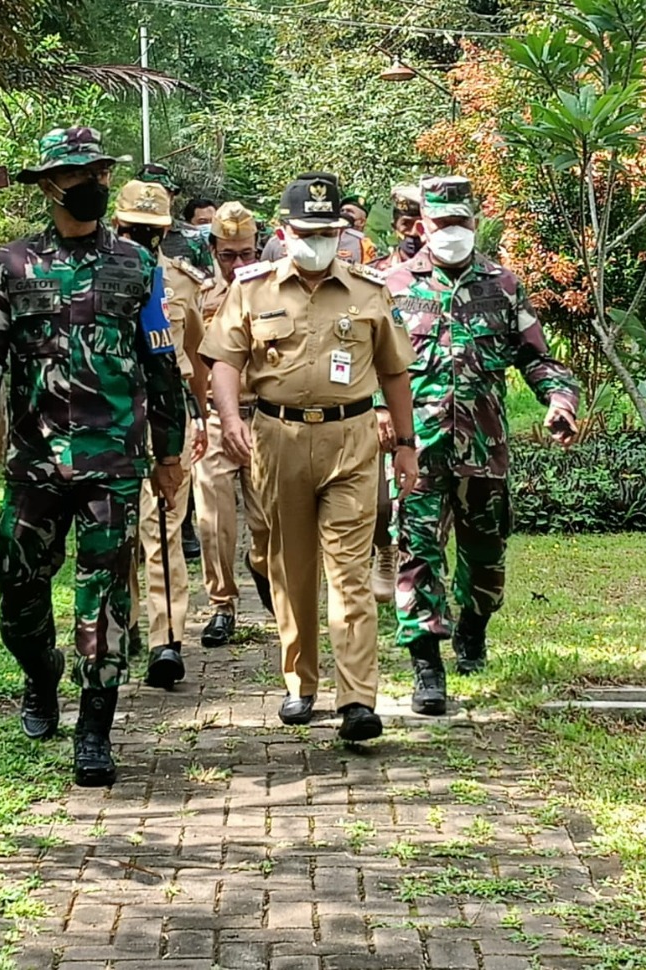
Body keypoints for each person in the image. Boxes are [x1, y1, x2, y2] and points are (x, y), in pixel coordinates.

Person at [0, 127, 186, 788]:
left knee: (104, 601)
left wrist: (169, 451)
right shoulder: (13, 266)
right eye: (77, 173)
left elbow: (162, 366)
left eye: (99, 171)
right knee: (16, 593)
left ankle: (94, 731)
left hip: (113, 463)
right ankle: (41, 673)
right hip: (34, 464)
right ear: (48, 185)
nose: (92, 183)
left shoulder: (136, 267)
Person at [201, 173, 418, 743]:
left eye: (329, 231)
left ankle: (357, 699)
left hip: (352, 440)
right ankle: (301, 682)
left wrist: (407, 446)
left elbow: (395, 371)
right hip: (278, 438)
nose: (319, 240)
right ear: (284, 231)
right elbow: (223, 360)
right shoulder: (252, 288)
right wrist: (229, 421)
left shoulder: (369, 291)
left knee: (348, 574)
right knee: (290, 567)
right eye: (307, 231)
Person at [385, 175, 579, 716]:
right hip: (416, 451)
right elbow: (371, 364)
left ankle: (473, 626)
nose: (452, 233)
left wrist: (559, 399)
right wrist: (379, 414)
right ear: (423, 225)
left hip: (484, 451)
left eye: (461, 223)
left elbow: (537, 358)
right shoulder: (392, 285)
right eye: (442, 224)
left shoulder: (502, 286)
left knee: (486, 560)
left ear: (475, 224)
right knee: (416, 553)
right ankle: (427, 662)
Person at [112, 179, 210, 688]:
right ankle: (123, 622)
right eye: (134, 229)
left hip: (164, 422)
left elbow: (193, 356)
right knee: (114, 533)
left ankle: (165, 641)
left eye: (152, 232)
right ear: (116, 225)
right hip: (107, 422)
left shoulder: (179, 282)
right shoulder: (91, 275)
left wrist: (200, 417)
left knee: (163, 528)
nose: (142, 240)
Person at [191, 201, 273, 647]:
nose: (239, 263)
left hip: (265, 418)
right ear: (213, 250)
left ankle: (261, 567)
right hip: (214, 421)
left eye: (246, 254)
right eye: (229, 255)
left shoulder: (276, 294)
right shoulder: (201, 295)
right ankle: (222, 604)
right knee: (214, 518)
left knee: (269, 521)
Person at [261, 177, 376, 265]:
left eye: (326, 232)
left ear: (339, 232)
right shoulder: (274, 244)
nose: (316, 239)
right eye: (305, 232)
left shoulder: (360, 243)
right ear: (282, 236)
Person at [135, 162, 215, 274]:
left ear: (172, 197)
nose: (153, 199)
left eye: (162, 193)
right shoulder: (119, 235)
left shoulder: (193, 237)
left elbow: (207, 283)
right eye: (148, 193)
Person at [371, 184, 423, 272]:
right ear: (394, 226)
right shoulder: (377, 270)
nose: (414, 232)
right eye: (406, 224)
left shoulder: (444, 274)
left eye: (420, 225)